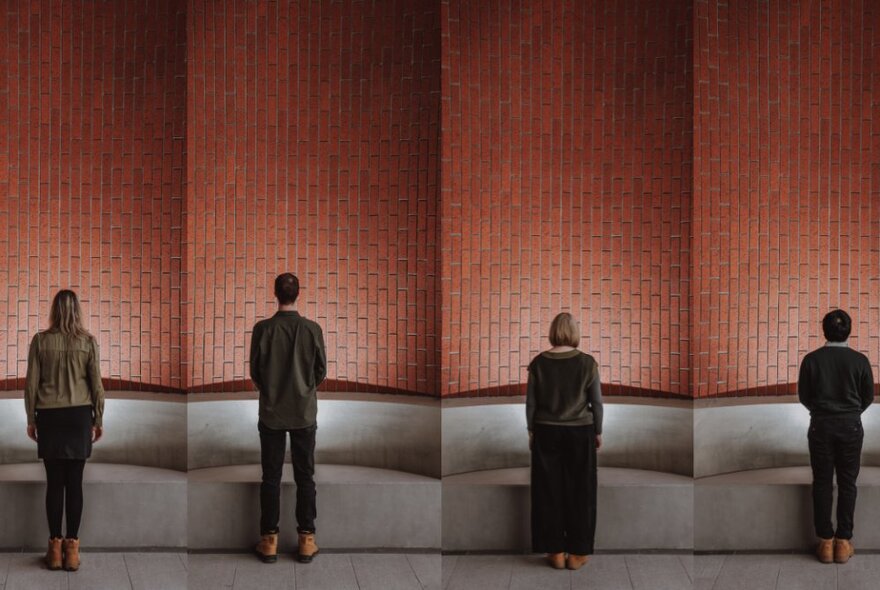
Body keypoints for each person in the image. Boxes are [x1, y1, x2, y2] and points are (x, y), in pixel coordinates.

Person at [24, 289, 105, 572]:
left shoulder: (40, 341)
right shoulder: (88, 342)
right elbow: (96, 384)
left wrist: (31, 418)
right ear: (77, 310)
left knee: (54, 484)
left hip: (49, 417)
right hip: (79, 417)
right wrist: (98, 419)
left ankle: (54, 550)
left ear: (54, 310)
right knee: (75, 484)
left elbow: (31, 383)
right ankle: (72, 550)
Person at [250, 273, 327, 564]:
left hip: (271, 412)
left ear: (275, 293)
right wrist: (304, 390)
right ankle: (307, 541)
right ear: (298, 294)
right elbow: (321, 371)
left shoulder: (262, 329)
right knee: (305, 476)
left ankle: (269, 542)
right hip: (304, 413)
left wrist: (271, 391)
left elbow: (255, 371)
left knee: (271, 477)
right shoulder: (312, 330)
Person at [526, 312, 603, 570]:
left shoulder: (538, 363)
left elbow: (531, 403)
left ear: (553, 331)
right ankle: (578, 552)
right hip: (580, 432)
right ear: (574, 332)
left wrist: (531, 431)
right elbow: (597, 402)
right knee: (581, 491)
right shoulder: (587, 363)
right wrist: (598, 431)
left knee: (547, 491)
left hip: (546, 431)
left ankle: (555, 550)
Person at [798, 309, 874, 564]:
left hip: (820, 425)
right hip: (851, 426)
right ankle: (843, 542)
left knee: (822, 482)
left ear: (824, 330)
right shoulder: (860, 361)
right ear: (849, 330)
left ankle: (825, 542)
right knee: (847, 483)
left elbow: (804, 397)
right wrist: (850, 413)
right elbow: (867, 398)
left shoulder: (811, 360)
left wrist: (822, 412)